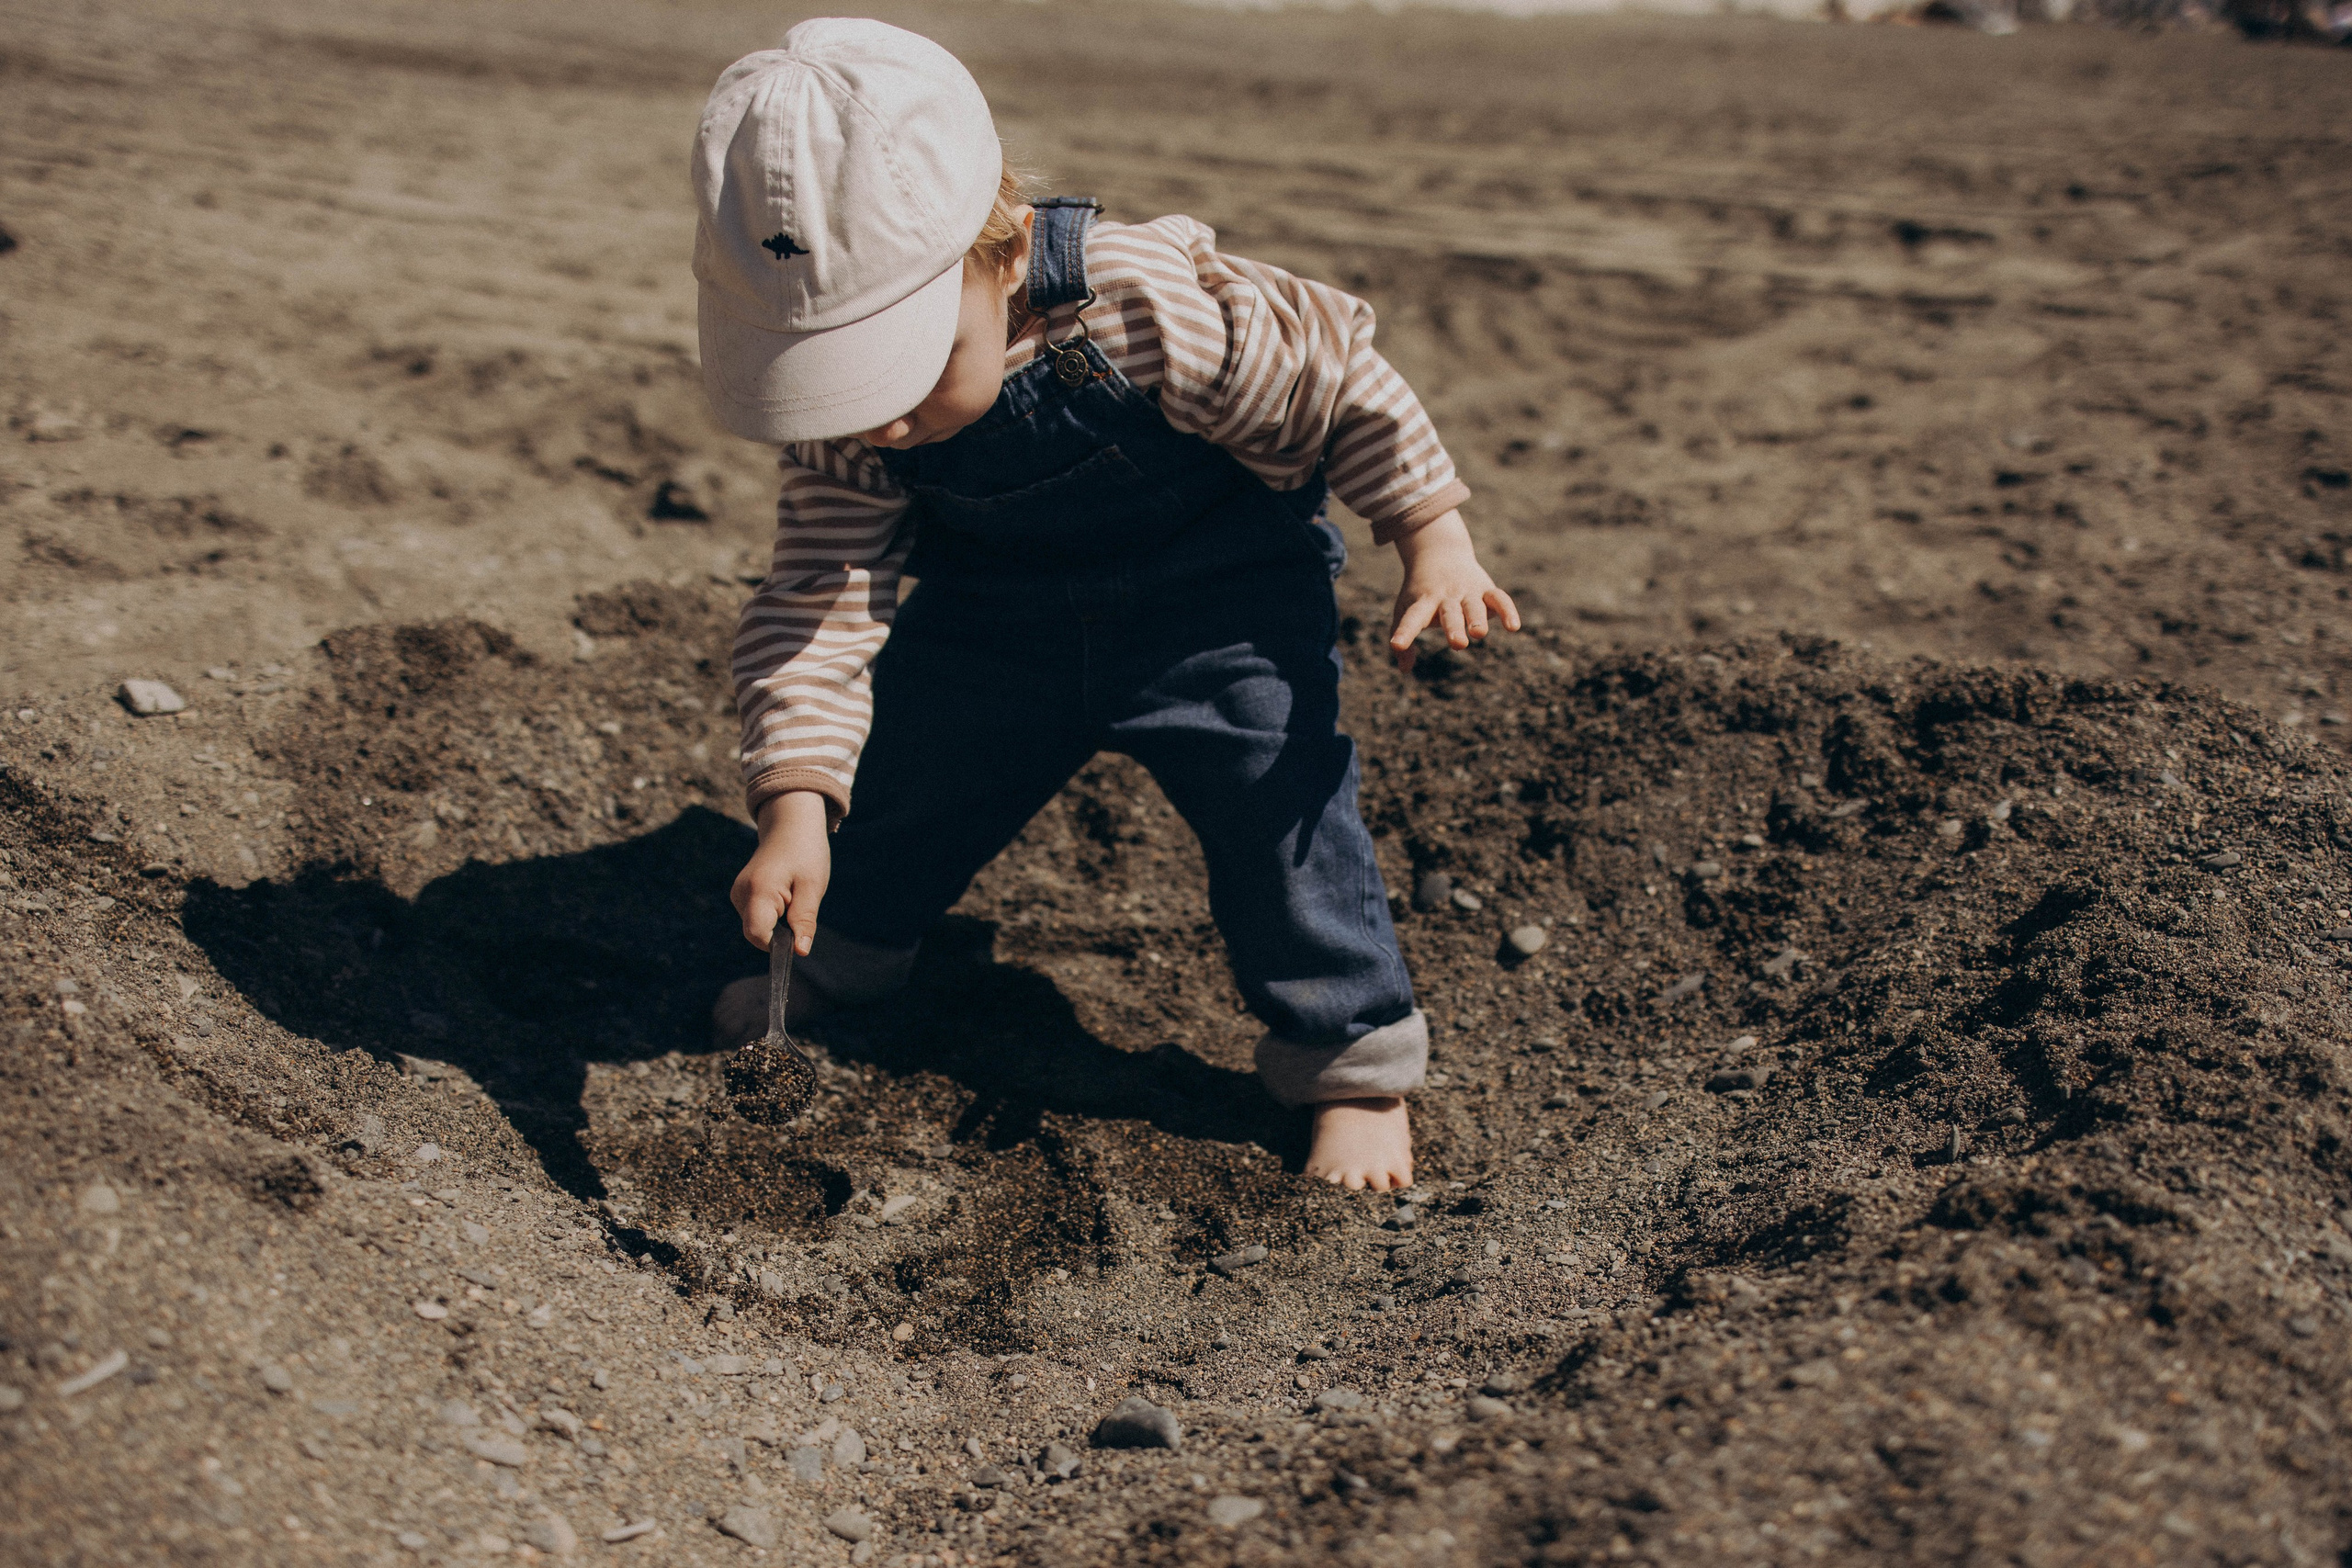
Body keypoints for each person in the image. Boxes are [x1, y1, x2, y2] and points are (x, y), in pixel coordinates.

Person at [694, 18, 1516, 1191]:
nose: (880, 419)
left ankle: (1350, 1065)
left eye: (909, 364)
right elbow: (820, 598)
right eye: (839, 378)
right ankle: (845, 961)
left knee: (1283, 817)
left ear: (1006, 253)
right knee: (909, 782)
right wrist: (792, 804)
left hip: (1219, 606)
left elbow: (1336, 384)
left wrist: (1427, 532)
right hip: (996, 617)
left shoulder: (1137, 303)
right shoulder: (857, 430)